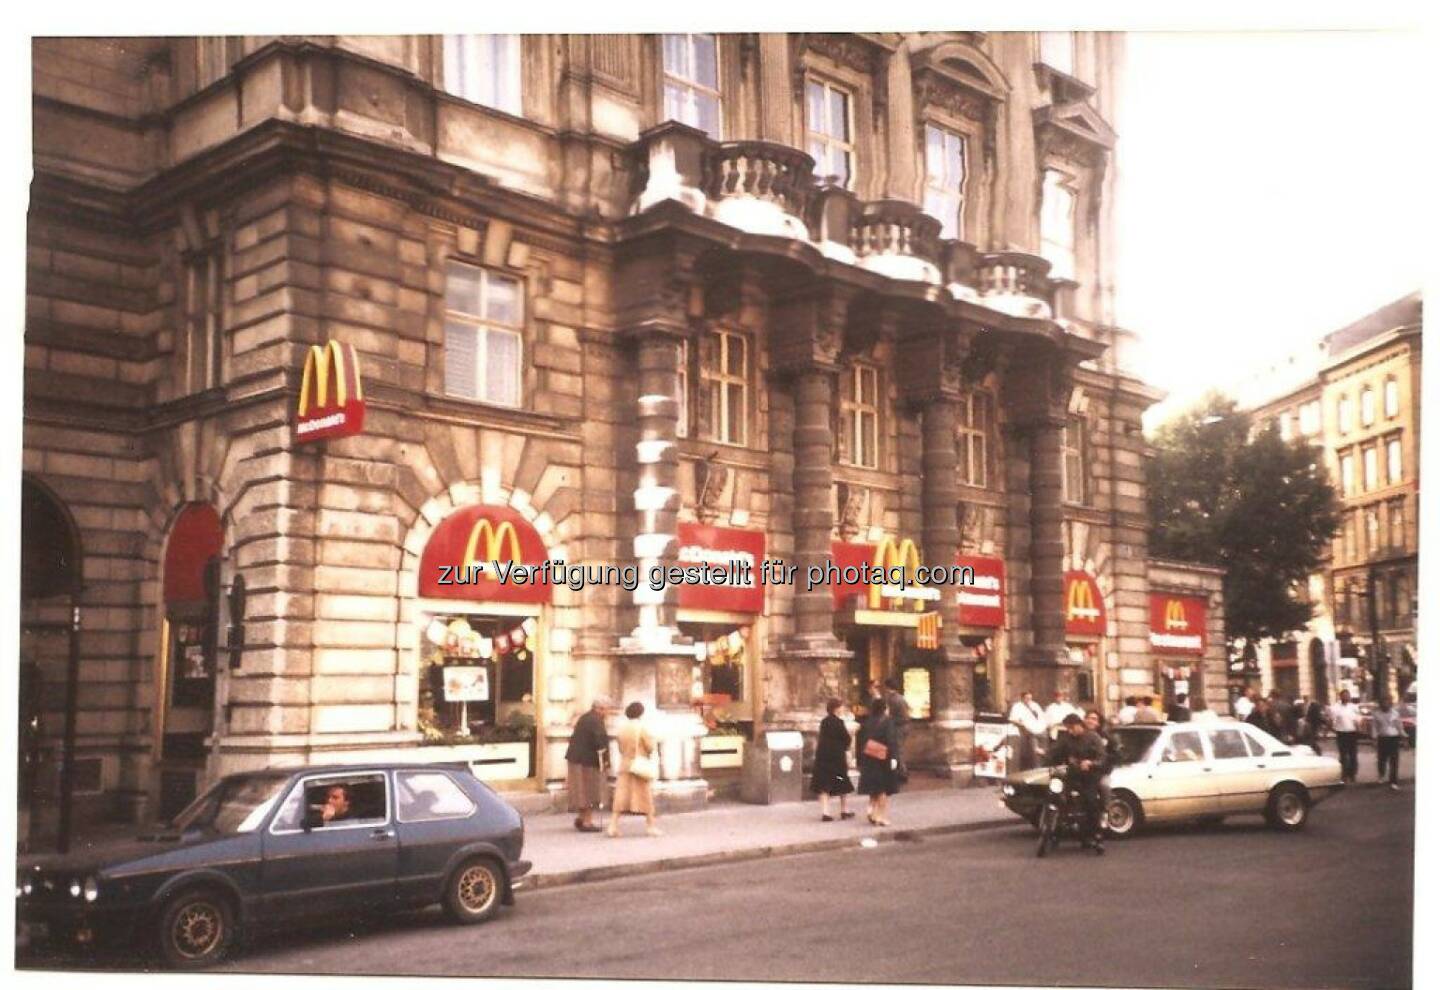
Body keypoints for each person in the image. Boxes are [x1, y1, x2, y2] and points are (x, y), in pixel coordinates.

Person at [1046, 713, 1108, 853]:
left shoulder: (1093, 737)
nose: (1070, 731)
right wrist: (1046, 759)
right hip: (1072, 775)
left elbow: (1102, 757)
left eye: (1072, 727)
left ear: (1079, 725)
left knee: (1090, 801)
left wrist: (1091, 763)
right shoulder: (1066, 739)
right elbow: (1055, 751)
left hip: (1089, 776)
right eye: (1068, 728)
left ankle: (1096, 835)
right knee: (1057, 795)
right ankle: (1055, 830)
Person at [607, 701, 661, 837]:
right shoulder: (642, 728)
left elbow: (620, 748)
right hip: (639, 766)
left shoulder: (622, 729)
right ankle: (651, 826)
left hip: (625, 765)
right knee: (645, 797)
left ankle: (613, 826)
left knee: (621, 796)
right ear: (641, 713)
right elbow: (650, 746)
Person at [565, 696, 611, 832]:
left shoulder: (585, 717)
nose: (608, 713)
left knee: (580, 791)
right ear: (600, 709)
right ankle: (587, 822)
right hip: (587, 761)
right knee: (590, 791)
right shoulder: (596, 721)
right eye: (607, 710)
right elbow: (600, 742)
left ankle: (581, 818)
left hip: (576, 758)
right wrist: (606, 763)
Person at [856, 697, 899, 826]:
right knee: (883, 789)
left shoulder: (868, 722)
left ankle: (872, 812)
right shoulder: (887, 722)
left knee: (873, 787)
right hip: (883, 757)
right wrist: (894, 758)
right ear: (884, 708)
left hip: (869, 757)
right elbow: (891, 741)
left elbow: (862, 740)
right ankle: (881, 816)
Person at [811, 698, 856, 821]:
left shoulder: (824, 722)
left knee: (824, 785)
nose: (843, 709)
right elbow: (847, 739)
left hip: (823, 758)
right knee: (842, 781)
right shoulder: (839, 723)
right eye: (841, 707)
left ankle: (826, 812)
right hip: (837, 759)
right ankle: (844, 810)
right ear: (836, 708)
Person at [1084, 708, 1119, 831]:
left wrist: (1100, 763)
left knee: (1104, 785)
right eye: (1088, 718)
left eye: (1094, 719)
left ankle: (1105, 812)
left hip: (1100, 771)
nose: (1090, 721)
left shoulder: (1106, 738)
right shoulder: (1080, 735)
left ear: (1098, 722)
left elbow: (1114, 755)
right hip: (1082, 771)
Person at [1007, 691, 1047, 771]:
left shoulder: (1035, 705)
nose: (1029, 700)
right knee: (1034, 753)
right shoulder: (1017, 706)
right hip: (1028, 733)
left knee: (1043, 752)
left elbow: (1042, 716)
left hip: (1041, 731)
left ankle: (1042, 770)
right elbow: (1012, 719)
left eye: (1030, 698)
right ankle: (1035, 769)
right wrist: (1022, 726)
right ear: (1022, 698)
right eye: (1027, 698)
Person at [1327, 689, 1361, 784]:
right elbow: (1331, 720)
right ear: (1340, 697)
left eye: (1348, 695)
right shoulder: (1335, 708)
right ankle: (1344, 774)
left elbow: (1357, 720)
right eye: (1344, 695)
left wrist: (1359, 729)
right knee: (1343, 755)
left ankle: (1352, 774)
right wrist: (1332, 729)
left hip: (1352, 733)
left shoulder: (1354, 707)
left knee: (1353, 755)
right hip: (1341, 733)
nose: (1347, 697)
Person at [1371, 696, 1404, 790]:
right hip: (1382, 738)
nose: (1386, 704)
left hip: (1393, 738)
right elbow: (1374, 727)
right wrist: (1374, 739)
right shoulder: (1376, 714)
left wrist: (1404, 737)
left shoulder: (1395, 713)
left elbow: (1399, 726)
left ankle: (1393, 781)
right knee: (1381, 759)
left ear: (1390, 704)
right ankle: (1382, 775)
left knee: (1394, 761)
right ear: (1381, 704)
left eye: (1388, 702)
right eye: (1384, 703)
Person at [883, 677, 911, 782]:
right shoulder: (901, 698)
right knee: (899, 750)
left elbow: (888, 714)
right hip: (905, 726)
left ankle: (902, 773)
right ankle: (901, 771)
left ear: (887, 687)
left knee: (897, 750)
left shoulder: (892, 699)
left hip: (898, 727)